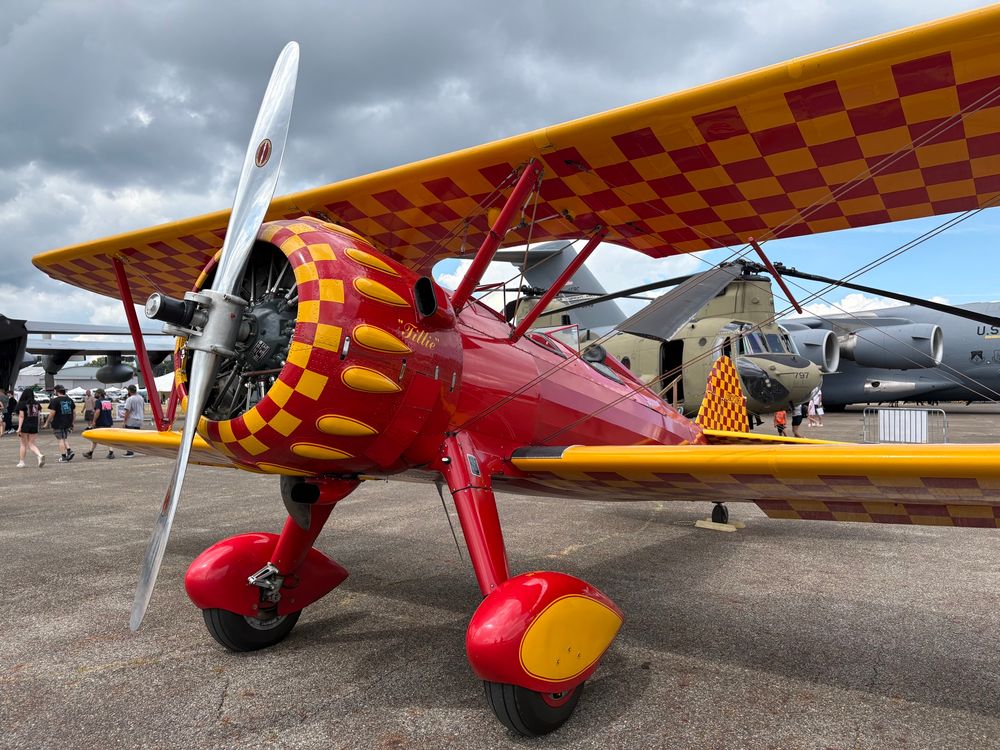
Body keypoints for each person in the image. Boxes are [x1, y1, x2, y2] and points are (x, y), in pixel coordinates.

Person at [83, 388, 115, 459]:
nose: (95, 394)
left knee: (94, 438)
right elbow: (110, 409)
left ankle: (90, 453)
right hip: (108, 421)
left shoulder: (98, 401)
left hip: (100, 422)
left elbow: (98, 411)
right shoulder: (108, 401)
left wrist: (94, 420)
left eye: (96, 393)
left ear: (99, 394)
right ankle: (111, 452)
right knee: (108, 437)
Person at [15, 389, 44, 467]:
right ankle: (39, 455)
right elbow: (39, 414)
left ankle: (22, 462)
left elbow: (21, 416)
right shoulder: (36, 403)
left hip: (25, 425)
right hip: (34, 425)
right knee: (31, 443)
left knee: (23, 444)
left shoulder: (22, 403)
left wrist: (19, 428)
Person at [48, 384, 76, 462]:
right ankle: (69, 451)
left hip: (58, 422)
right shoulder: (70, 400)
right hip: (68, 422)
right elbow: (74, 412)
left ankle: (63, 457)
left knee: (60, 439)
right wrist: (72, 422)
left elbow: (52, 412)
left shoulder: (55, 400)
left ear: (57, 391)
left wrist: (47, 421)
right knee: (64, 438)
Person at [121, 384, 145, 457]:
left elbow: (128, 410)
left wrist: (124, 421)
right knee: (136, 436)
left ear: (129, 391)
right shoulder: (141, 398)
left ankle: (130, 452)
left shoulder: (130, 399)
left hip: (132, 419)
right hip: (140, 418)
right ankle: (138, 450)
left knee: (129, 436)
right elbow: (143, 408)